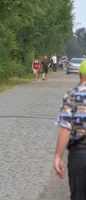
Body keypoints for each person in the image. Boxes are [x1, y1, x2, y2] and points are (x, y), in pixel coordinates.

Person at [54, 59, 86, 200]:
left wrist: (57, 156)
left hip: (80, 155)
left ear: (79, 74)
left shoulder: (72, 95)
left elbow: (66, 128)